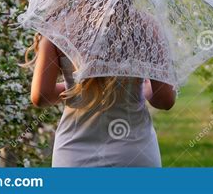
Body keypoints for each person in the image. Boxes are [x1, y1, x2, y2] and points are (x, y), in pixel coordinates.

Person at [24, 9, 176, 167]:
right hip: (134, 151)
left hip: (74, 152)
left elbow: (41, 96)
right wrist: (143, 87)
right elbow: (165, 100)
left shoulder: (58, 27)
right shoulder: (147, 26)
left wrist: (75, 88)